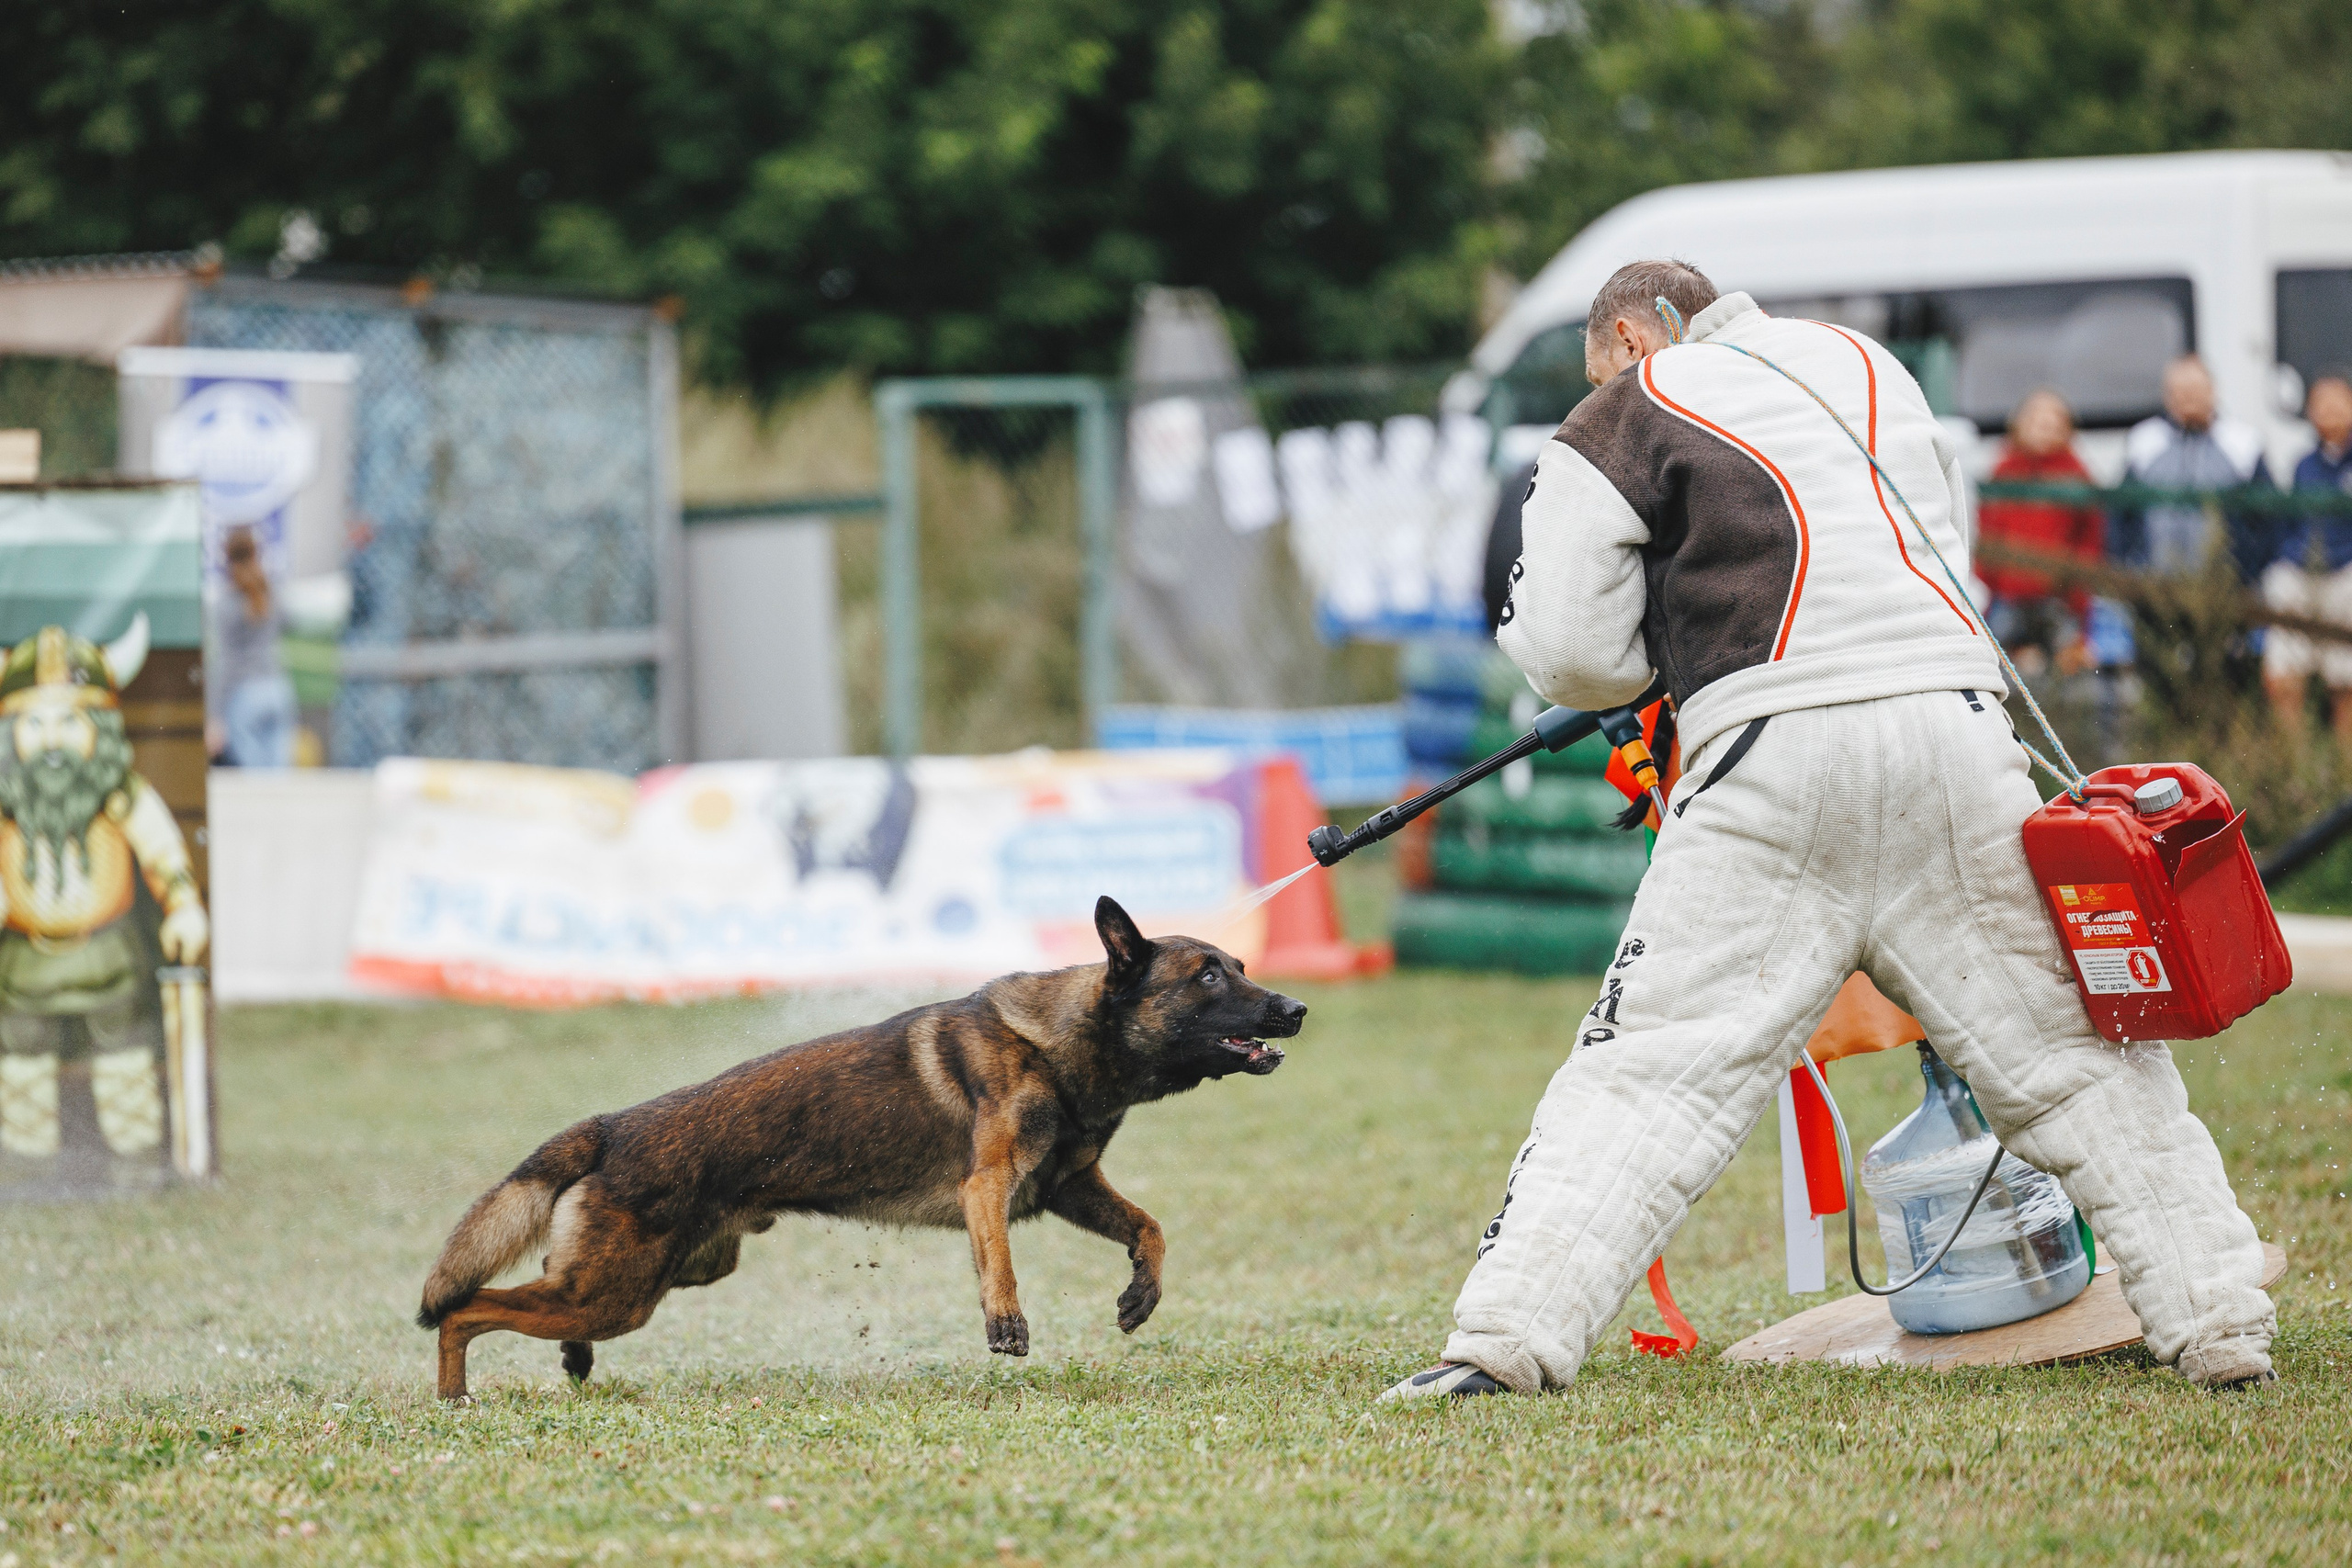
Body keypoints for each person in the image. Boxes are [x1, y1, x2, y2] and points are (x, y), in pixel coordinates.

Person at [1383, 259, 2275, 1401]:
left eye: (1597, 367)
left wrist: (1665, 648)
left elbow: (1568, 652)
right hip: (1958, 736)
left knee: (1653, 1072)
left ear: (1630, 337)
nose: (1598, 385)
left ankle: (1504, 1344)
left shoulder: (1626, 408)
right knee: (2073, 1057)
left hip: (1770, 755)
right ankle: (2219, 1323)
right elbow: (1944, 551)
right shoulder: (1869, 363)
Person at [1976, 390, 2101, 676]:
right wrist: (1985, 599)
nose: (2046, 428)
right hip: (2007, 600)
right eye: (2037, 420)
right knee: (1995, 671)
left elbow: (2088, 548)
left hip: (2058, 601)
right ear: (2020, 425)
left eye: (2054, 421)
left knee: (2072, 673)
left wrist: (2082, 615)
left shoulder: (2078, 477)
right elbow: (1987, 541)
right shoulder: (2003, 473)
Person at [2115, 355, 2274, 579]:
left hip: (2225, 583)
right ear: (2167, 396)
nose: (2188, 397)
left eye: (2195, 389)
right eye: (2180, 390)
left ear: (2212, 391)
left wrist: (2250, 573)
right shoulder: (2144, 442)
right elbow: (2120, 516)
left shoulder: (2243, 443)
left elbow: (2269, 517)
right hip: (2155, 583)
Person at [2263, 374, 2352, 743]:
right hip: (2302, 572)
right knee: (2283, 670)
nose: (2329, 411)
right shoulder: (2303, 465)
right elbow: (2289, 526)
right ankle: (2291, 763)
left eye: (2337, 402)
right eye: (2320, 403)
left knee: (2346, 678)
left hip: (2346, 576)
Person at [205, 526, 297, 768]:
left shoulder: (227, 603)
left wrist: (214, 715)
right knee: (278, 775)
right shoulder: (270, 594)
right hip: (277, 688)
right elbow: (290, 622)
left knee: (254, 780)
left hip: (245, 696)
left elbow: (225, 661)